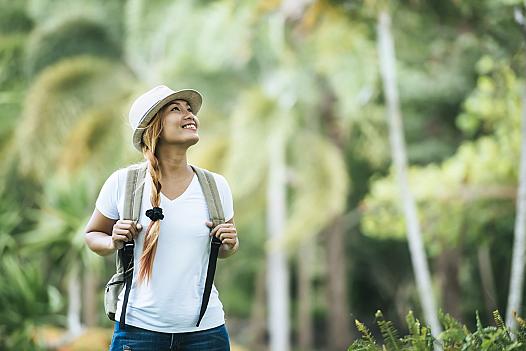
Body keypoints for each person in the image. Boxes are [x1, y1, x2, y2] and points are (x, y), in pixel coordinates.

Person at [84, 85, 239, 351]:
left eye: (189, 109)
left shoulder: (216, 187)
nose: (189, 114)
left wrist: (229, 244)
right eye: (176, 109)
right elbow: (92, 235)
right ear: (154, 127)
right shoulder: (123, 183)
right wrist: (112, 241)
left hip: (206, 333)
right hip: (137, 332)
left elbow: (224, 250)